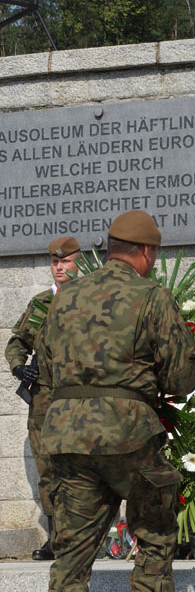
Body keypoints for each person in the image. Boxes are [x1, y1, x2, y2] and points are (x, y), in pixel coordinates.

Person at [36, 211, 195, 592]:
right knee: (153, 518)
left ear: (108, 248)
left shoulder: (65, 299)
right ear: (146, 253)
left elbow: (42, 366)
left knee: (72, 553)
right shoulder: (151, 297)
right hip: (126, 432)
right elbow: (180, 378)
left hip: (64, 435)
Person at [7, 236, 81, 561]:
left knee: (80, 468)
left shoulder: (92, 301)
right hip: (43, 404)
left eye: (66, 261)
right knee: (47, 468)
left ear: (79, 262)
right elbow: (16, 342)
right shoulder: (39, 303)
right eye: (55, 261)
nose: (60, 267)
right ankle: (56, 539)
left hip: (81, 401)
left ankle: (81, 537)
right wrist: (18, 368)